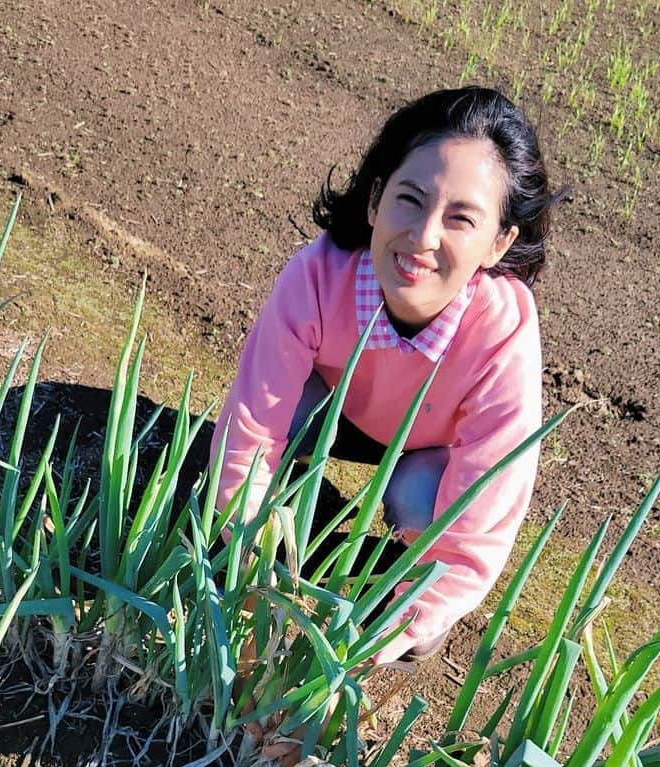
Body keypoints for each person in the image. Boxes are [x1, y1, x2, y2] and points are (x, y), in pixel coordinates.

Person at [212, 87, 565, 671]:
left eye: (461, 219)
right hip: (333, 410)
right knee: (259, 453)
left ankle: (392, 579)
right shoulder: (318, 275)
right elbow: (249, 434)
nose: (424, 237)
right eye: (410, 199)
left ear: (499, 243)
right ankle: (296, 529)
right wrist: (255, 576)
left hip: (427, 449)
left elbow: (480, 522)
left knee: (417, 503)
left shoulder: (503, 331)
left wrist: (400, 629)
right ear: (376, 200)